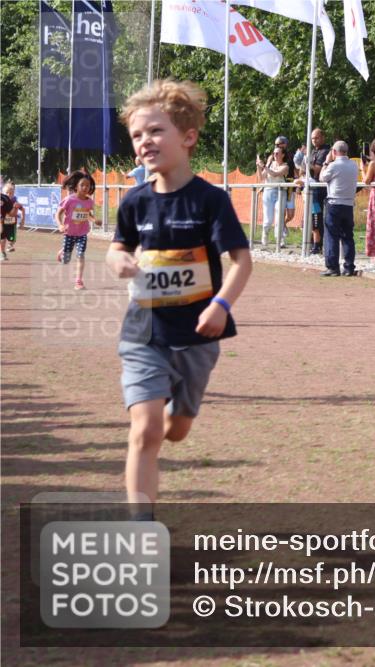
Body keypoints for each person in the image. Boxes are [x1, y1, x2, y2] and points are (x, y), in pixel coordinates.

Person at [106, 79, 252, 519]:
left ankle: (176, 409)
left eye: (156, 131)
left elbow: (241, 261)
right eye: (137, 135)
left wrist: (220, 305)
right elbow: (117, 247)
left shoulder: (211, 200)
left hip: (197, 337)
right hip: (143, 334)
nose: (145, 141)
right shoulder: (134, 202)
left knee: (176, 430)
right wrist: (118, 260)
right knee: (145, 431)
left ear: (188, 137)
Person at [319, 140, 360, 277]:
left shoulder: (333, 165)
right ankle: (349, 267)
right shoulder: (354, 165)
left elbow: (322, 177)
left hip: (334, 203)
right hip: (348, 204)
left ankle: (332, 267)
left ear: (334, 152)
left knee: (331, 236)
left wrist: (326, 162)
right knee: (348, 236)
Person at [55, 169, 98, 289]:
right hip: (69, 233)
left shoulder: (89, 202)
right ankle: (62, 252)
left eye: (87, 186)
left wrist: (95, 220)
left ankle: (78, 281)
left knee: (81, 255)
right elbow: (58, 214)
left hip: (82, 234)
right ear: (76, 187)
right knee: (66, 260)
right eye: (82, 185)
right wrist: (60, 225)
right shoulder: (69, 200)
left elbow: (88, 214)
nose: (85, 188)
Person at [256, 140, 290, 246]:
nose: (275, 155)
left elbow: (275, 174)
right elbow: (261, 177)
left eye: (277, 153)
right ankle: (265, 234)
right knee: (268, 219)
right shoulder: (270, 164)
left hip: (280, 192)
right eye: (274, 153)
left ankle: (279, 239)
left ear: (282, 155)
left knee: (279, 216)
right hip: (268, 192)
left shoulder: (285, 166)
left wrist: (264, 166)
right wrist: (258, 166)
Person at [308, 128, 331, 254]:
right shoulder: (313, 151)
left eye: (316, 138)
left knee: (318, 216)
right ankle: (313, 242)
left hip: (321, 189)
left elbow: (317, 169)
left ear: (323, 137)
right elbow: (304, 170)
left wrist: (307, 164)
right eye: (312, 138)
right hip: (312, 189)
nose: (314, 140)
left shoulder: (326, 151)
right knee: (313, 216)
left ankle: (319, 244)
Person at [1, 181, 25, 258]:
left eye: (11, 193)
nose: (9, 195)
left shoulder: (14, 201)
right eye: (7, 193)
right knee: (3, 238)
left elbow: (23, 209)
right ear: (3, 192)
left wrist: (22, 221)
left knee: (12, 238)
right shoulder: (2, 201)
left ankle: (10, 245)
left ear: (14, 193)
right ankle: (2, 253)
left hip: (12, 223)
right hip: (3, 223)